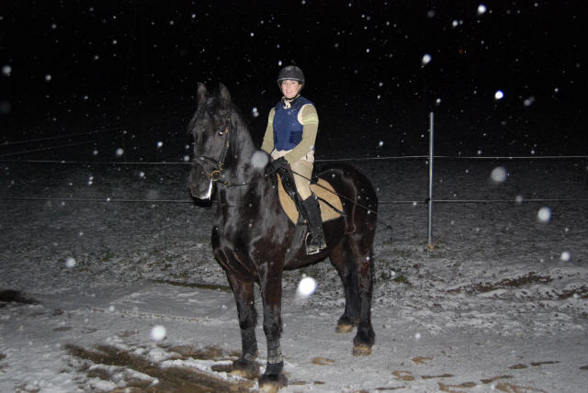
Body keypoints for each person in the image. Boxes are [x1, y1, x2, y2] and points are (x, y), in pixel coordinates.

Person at [261, 65, 326, 255]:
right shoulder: (274, 111)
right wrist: (261, 158)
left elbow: (307, 142)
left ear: (299, 86)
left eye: (292, 83)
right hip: (276, 155)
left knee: (301, 187)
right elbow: (268, 140)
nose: (288, 87)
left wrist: (286, 160)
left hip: (301, 157)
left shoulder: (307, 109)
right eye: (285, 83)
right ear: (280, 86)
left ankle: (317, 235)